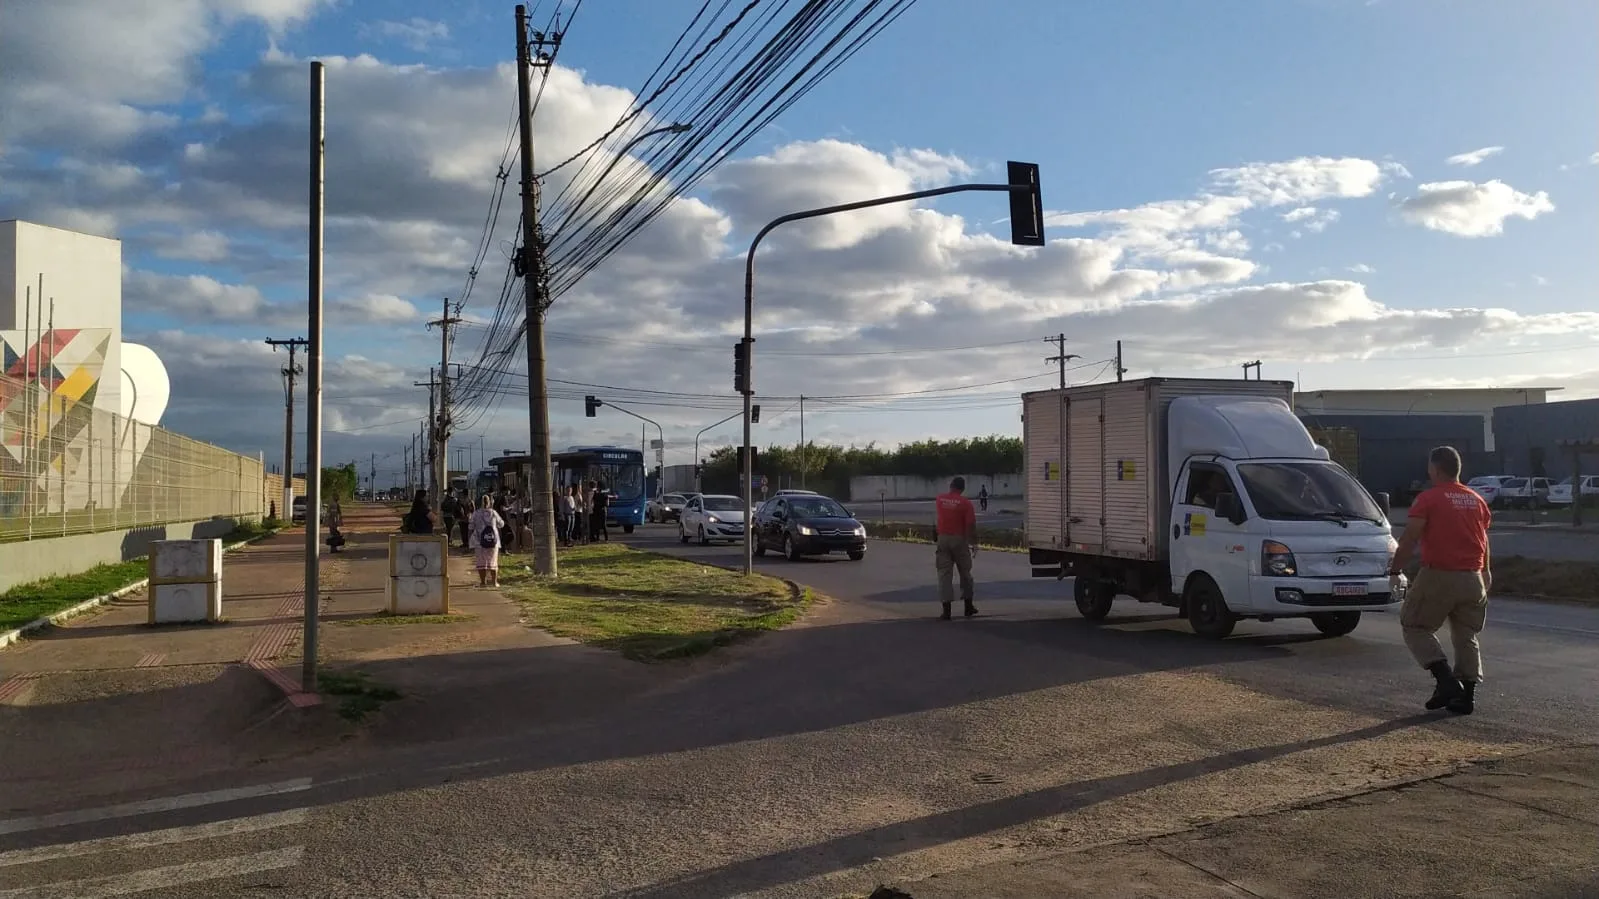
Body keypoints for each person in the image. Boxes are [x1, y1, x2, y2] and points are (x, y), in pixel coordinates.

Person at [1389, 445, 1492, 715]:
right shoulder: (1477, 500)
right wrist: (1486, 571)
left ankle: (1446, 681)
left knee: (1414, 625)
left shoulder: (1428, 499)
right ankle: (1466, 698)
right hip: (1473, 577)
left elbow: (1411, 538)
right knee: (1465, 634)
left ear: (1435, 469)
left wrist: (1394, 570)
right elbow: (1483, 539)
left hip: (1439, 574)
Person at [934, 476, 979, 620]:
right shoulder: (966, 503)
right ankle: (968, 606)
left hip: (942, 539)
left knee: (944, 575)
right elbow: (970, 525)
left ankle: (946, 611)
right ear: (962, 488)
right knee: (965, 573)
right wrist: (974, 543)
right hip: (959, 540)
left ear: (951, 486)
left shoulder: (940, 499)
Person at [470, 494, 506, 587]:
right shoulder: (494, 513)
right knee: (493, 561)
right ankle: (494, 582)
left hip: (479, 541)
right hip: (493, 541)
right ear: (490, 502)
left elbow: (471, 526)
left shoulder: (476, 514)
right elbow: (501, 524)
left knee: (481, 562)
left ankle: (483, 582)